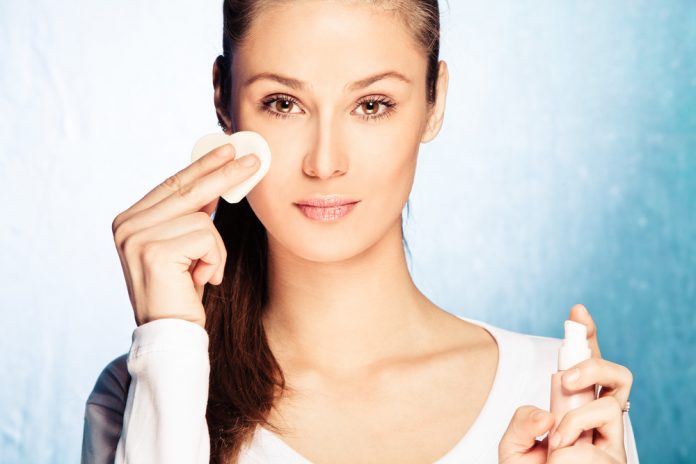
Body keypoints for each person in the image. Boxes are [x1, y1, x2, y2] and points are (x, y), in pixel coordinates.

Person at [81, 1, 639, 463]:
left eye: (371, 105)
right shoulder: (150, 382)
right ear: (224, 100)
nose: (325, 163)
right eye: (283, 103)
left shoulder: (556, 391)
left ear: (434, 101)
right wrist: (170, 346)